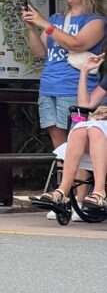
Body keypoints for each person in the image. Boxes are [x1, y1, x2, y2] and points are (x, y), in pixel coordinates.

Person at [23, 0, 107, 150]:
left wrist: (45, 24)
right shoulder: (57, 19)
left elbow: (77, 44)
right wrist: (31, 28)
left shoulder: (97, 21)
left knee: (77, 141)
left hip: (74, 88)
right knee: (58, 143)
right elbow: (40, 52)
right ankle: (63, 178)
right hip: (48, 87)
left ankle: (75, 177)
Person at [33, 52, 107, 211]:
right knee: (80, 129)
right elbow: (85, 104)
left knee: (94, 128)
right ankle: (62, 191)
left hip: (100, 130)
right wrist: (84, 72)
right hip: (100, 129)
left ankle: (99, 192)